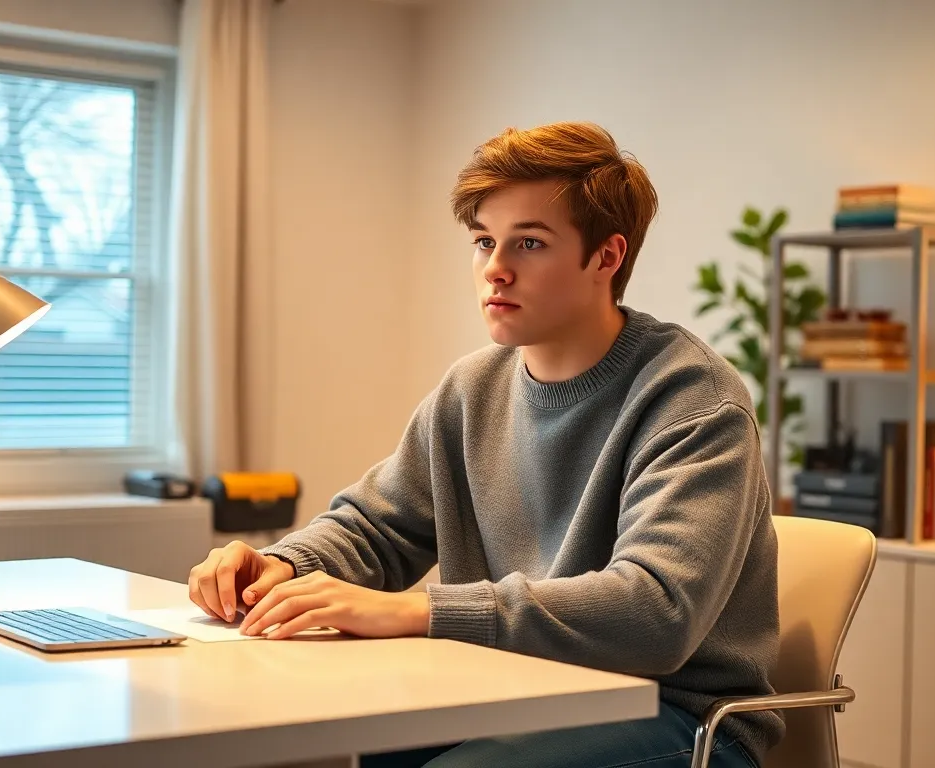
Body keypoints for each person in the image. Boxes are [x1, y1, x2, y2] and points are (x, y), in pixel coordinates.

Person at [187, 121, 782, 768]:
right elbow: (377, 528)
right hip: (513, 690)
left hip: (679, 718)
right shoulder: (473, 388)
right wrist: (283, 567)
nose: (495, 269)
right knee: (340, 746)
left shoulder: (692, 399)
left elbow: (656, 611)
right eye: (482, 242)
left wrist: (417, 613)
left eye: (528, 243)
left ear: (606, 258)